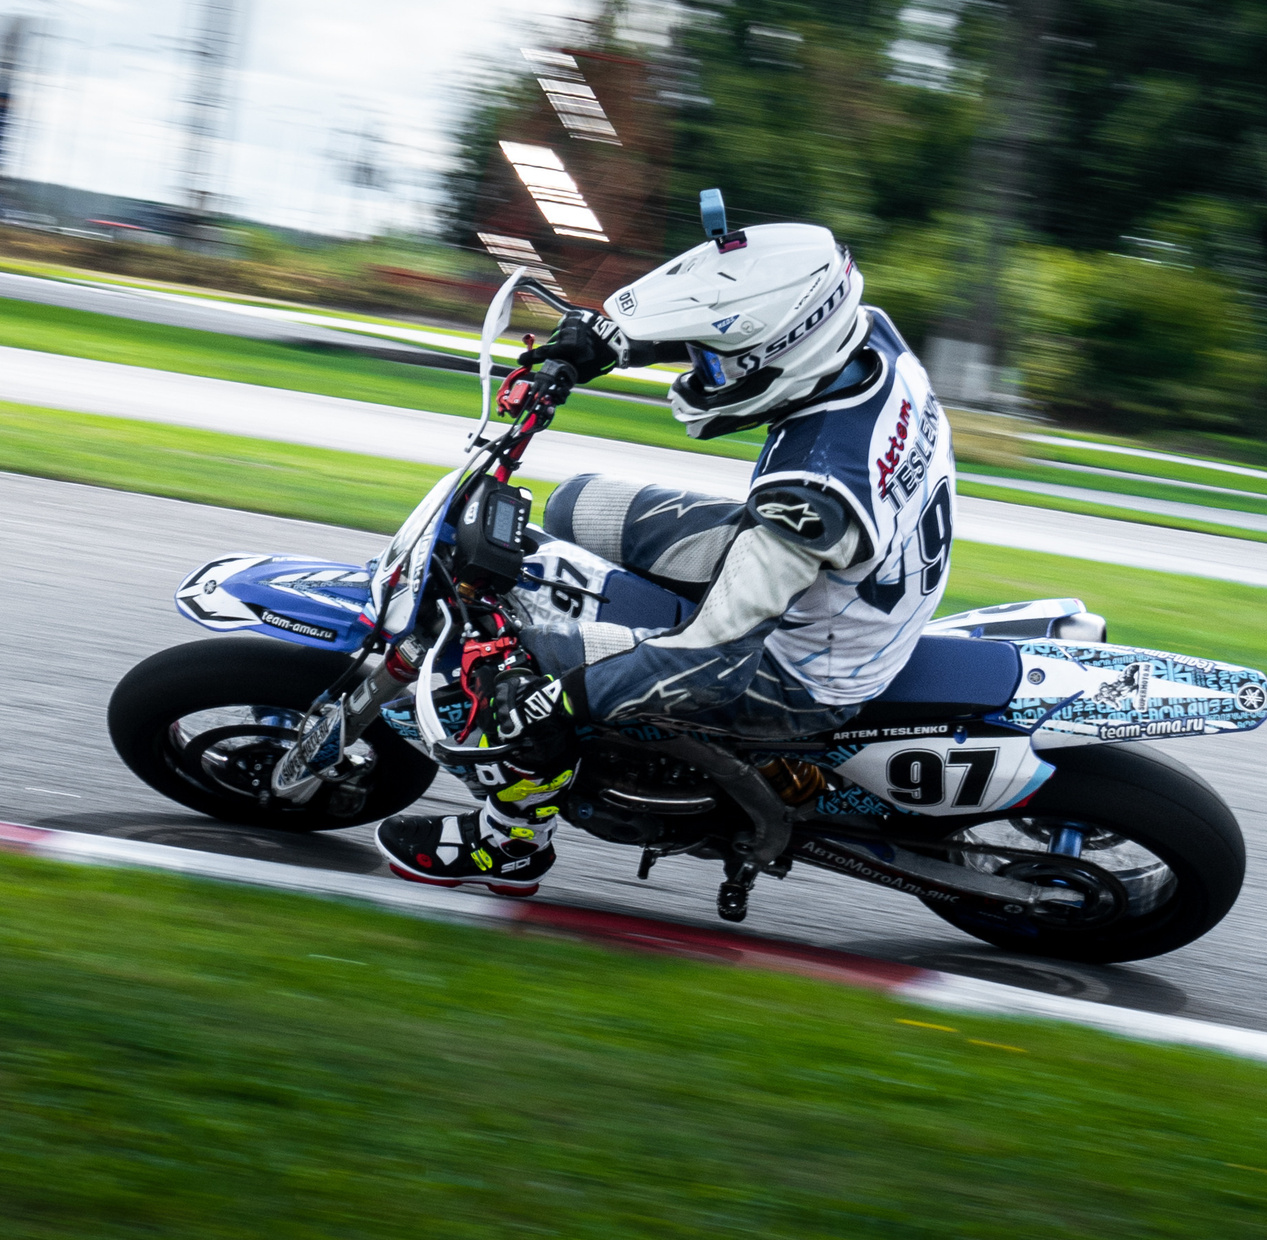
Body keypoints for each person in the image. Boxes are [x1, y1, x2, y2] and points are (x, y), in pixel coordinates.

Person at [375, 215, 956, 895]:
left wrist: (557, 701)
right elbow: (736, 329)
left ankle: (511, 843)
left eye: (711, 362)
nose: (696, 368)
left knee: (513, 678)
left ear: (790, 348)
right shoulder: (863, 336)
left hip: (801, 669)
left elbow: (711, 660)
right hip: (832, 579)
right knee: (572, 505)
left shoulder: (813, 487)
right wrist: (604, 346)